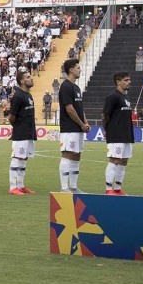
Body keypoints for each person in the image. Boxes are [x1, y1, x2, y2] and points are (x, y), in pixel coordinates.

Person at [58, 58, 90, 193]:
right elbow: (69, 108)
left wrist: (86, 122)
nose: (80, 69)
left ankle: (73, 186)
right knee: (67, 154)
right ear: (71, 70)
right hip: (69, 128)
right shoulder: (65, 86)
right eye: (78, 67)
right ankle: (64, 187)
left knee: (77, 155)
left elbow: (79, 108)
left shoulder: (76, 87)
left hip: (78, 128)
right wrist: (81, 124)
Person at [103, 72, 134, 195]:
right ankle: (108, 188)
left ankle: (117, 188)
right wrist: (108, 131)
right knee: (114, 160)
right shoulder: (112, 96)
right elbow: (105, 115)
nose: (129, 82)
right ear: (118, 82)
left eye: (129, 80)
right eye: (126, 80)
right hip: (116, 134)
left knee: (124, 161)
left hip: (127, 133)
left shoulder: (125, 97)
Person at [7, 70, 37, 195]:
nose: (31, 78)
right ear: (22, 81)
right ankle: (13, 187)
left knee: (24, 159)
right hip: (21, 133)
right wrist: (17, 128)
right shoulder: (18, 96)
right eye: (28, 77)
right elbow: (11, 117)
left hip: (29, 132)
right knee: (17, 159)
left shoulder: (29, 95)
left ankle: (21, 185)